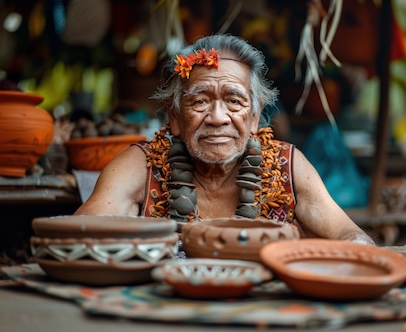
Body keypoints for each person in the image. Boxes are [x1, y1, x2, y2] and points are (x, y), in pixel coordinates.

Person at [74, 34, 375, 246]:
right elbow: (78, 233)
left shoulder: (289, 166)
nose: (218, 117)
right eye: (200, 101)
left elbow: (354, 238)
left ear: (255, 118)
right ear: (175, 118)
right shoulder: (141, 164)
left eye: (234, 101)